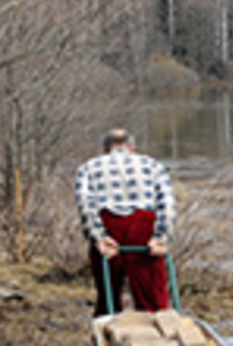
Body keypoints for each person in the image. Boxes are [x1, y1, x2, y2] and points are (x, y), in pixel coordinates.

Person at [74, 128, 176, 316]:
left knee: (108, 295)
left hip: (108, 224)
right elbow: (167, 203)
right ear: (132, 147)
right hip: (143, 226)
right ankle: (157, 332)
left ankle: (110, 330)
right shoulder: (152, 165)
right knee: (152, 296)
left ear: (105, 148)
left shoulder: (87, 167)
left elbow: (85, 206)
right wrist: (161, 237)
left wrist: (99, 237)